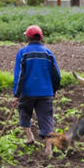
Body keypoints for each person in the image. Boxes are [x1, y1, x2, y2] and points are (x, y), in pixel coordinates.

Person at [13, 25, 61, 156]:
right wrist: (53, 90)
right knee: (46, 118)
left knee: (23, 111)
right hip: (46, 92)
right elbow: (57, 75)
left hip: (27, 92)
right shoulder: (48, 53)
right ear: (41, 37)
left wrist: (16, 94)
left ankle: (29, 137)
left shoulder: (23, 53)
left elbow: (19, 75)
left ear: (28, 38)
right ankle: (48, 149)